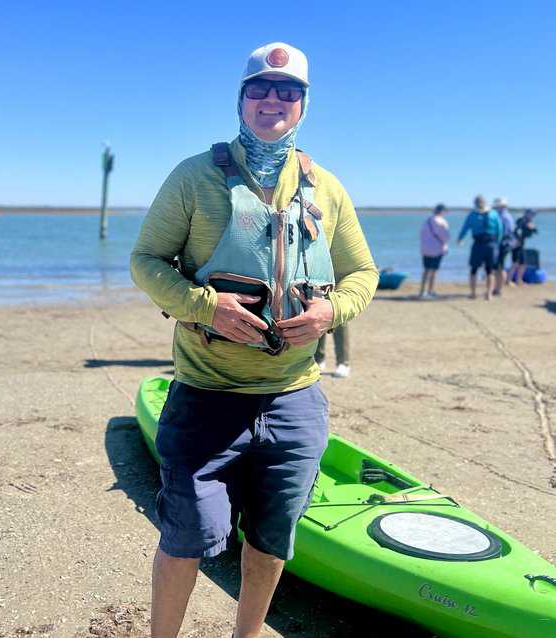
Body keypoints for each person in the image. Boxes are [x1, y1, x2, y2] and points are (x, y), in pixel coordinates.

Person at [130, 41, 377, 637]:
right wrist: (204, 306)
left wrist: (330, 314)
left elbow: (362, 273)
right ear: (241, 102)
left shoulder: (327, 187)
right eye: (260, 89)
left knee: (271, 544)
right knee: (187, 538)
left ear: (303, 106)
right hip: (204, 393)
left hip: (294, 399)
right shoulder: (194, 177)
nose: (273, 100)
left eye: (288, 92)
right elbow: (146, 260)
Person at [457, 195, 502, 300]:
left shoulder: (481, 214)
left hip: (485, 244)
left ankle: (483, 293)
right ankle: (480, 294)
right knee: (481, 269)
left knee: (485, 270)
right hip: (486, 243)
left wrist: (460, 238)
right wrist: (460, 238)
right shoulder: (490, 214)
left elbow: (499, 229)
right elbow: (499, 229)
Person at [418, 203, 450, 298]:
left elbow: (422, 235)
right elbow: (446, 236)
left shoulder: (427, 221)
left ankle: (422, 291)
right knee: (434, 271)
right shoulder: (442, 221)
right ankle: (430, 290)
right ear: (442, 211)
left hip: (426, 250)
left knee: (426, 270)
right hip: (437, 249)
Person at [508, 209, 538, 285]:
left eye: (533, 215)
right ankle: (508, 280)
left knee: (523, 263)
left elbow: (534, 231)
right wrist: (528, 227)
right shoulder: (521, 221)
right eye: (531, 214)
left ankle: (519, 280)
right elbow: (517, 232)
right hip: (516, 245)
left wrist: (532, 228)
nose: (532, 217)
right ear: (527, 214)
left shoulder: (528, 222)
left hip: (521, 245)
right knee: (515, 263)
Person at [492, 197, 515, 296]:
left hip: (503, 244)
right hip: (503, 244)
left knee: (500, 267)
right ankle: (497, 288)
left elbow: (507, 232)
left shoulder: (504, 217)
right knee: (498, 267)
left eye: (497, 206)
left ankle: (498, 289)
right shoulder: (503, 216)